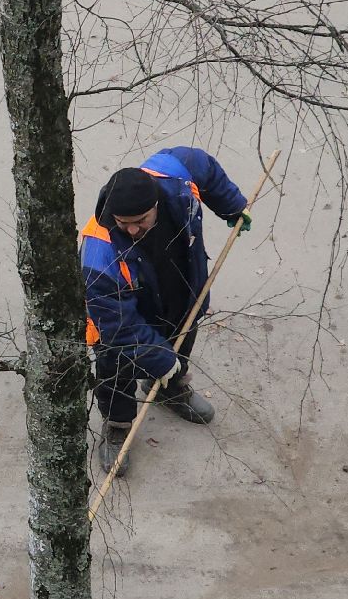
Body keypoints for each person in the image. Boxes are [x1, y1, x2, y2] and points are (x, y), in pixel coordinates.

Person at [80, 147, 251, 475]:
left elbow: (205, 168)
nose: (131, 230)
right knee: (117, 365)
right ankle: (117, 425)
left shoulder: (174, 176)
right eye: (123, 223)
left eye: (140, 222)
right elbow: (120, 330)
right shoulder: (99, 254)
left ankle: (168, 390)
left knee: (182, 335)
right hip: (125, 314)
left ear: (156, 203)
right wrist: (162, 361)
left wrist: (231, 205)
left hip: (180, 287)